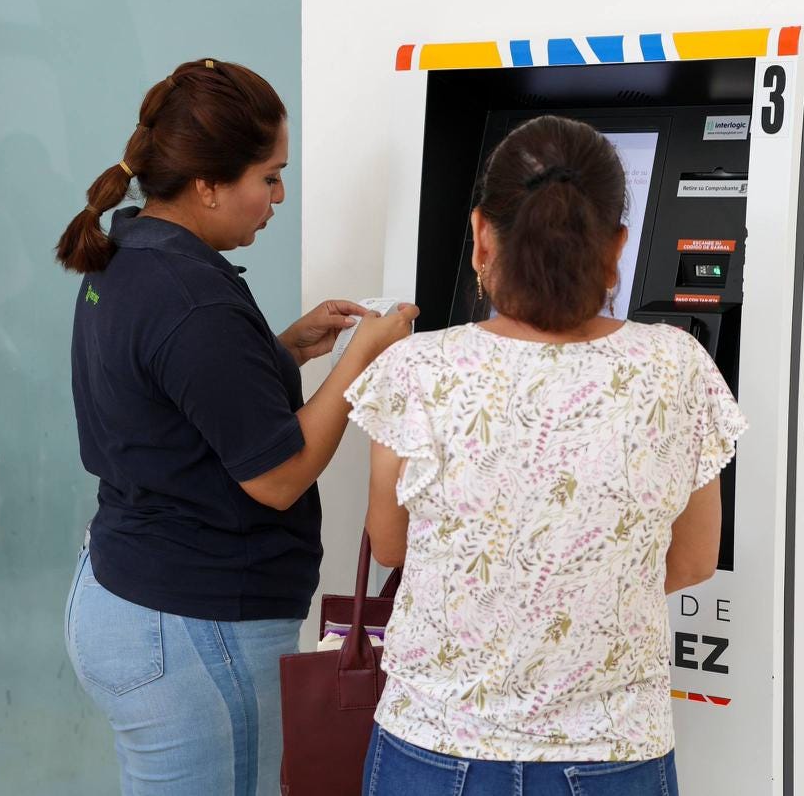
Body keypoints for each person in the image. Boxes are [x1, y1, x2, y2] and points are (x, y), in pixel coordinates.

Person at [346, 115, 748, 795]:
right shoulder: (675, 365)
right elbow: (693, 559)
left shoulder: (417, 369)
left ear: (481, 236)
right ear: (617, 245)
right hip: (613, 753)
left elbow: (390, 544)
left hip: (435, 747)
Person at [57, 57, 418, 796]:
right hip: (193, 628)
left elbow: (170, 397)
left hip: (127, 594)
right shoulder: (194, 298)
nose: (278, 197)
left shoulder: (129, 251)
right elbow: (278, 479)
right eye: (269, 177)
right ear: (208, 184)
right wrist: (361, 358)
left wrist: (282, 352)